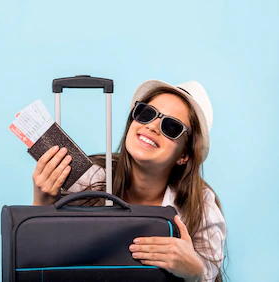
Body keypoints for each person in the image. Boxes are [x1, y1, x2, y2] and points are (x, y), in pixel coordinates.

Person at [32, 79, 227, 282]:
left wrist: (196, 273)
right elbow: (43, 263)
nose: (152, 126)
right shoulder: (89, 179)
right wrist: (41, 207)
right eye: (146, 113)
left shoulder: (200, 206)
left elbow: (207, 273)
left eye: (171, 126)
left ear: (184, 155)